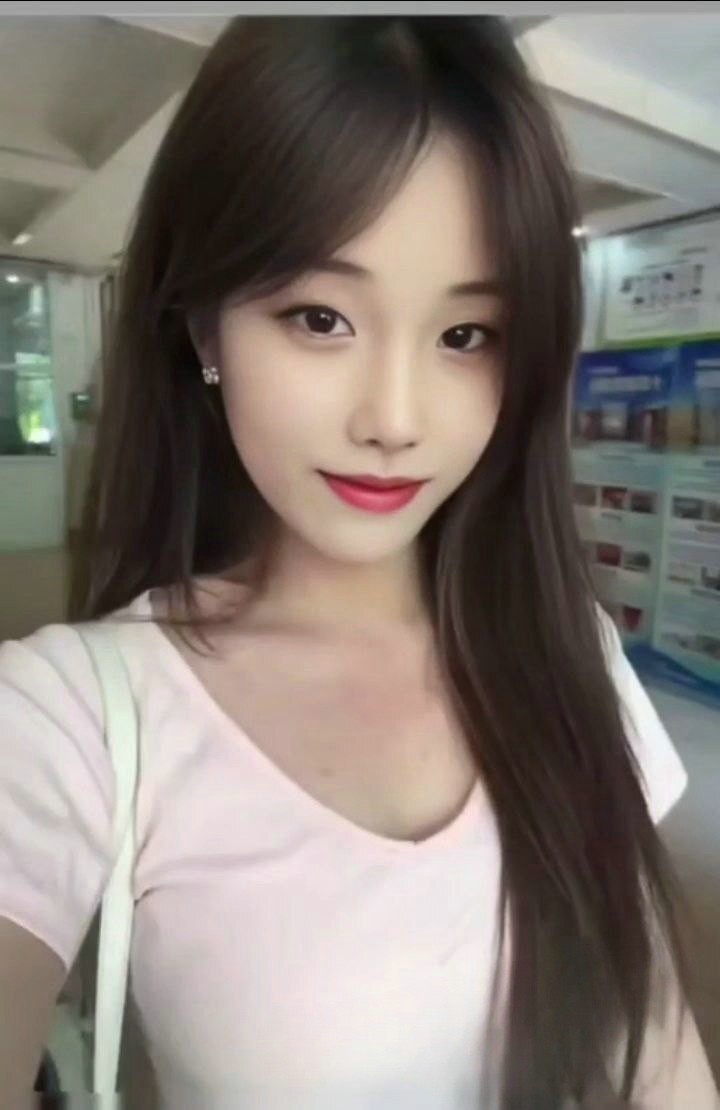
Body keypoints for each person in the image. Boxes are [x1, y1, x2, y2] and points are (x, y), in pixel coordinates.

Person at [0, 15, 717, 1110]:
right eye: (321, 317)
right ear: (203, 328)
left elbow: (660, 1051)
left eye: (465, 336)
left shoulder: (568, 648)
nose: (395, 418)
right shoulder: (73, 715)